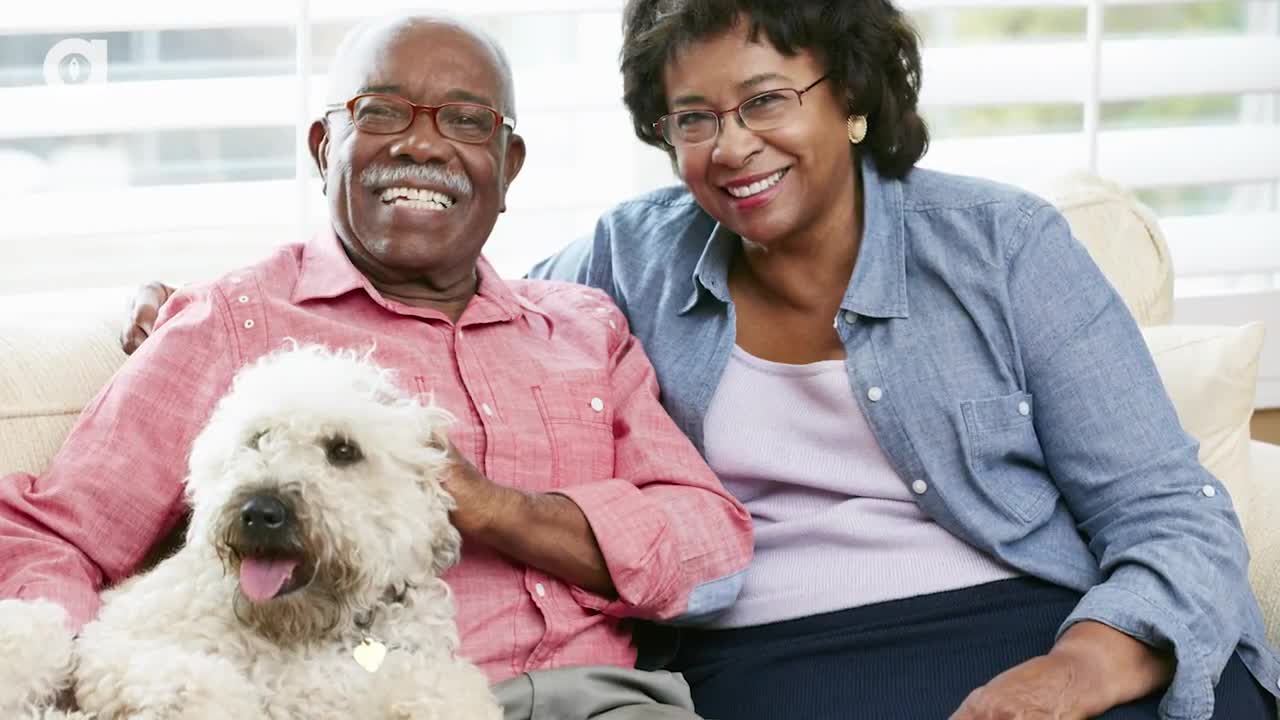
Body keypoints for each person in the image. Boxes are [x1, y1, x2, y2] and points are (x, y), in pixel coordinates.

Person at [123, 1, 1280, 719]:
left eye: (765, 99)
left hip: (1034, 618)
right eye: (690, 118)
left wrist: (1085, 664)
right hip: (777, 661)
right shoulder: (625, 260)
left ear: (857, 101)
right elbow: (443, 279)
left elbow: (1169, 513)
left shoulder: (1003, 246)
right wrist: (214, 316)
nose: (730, 147)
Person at [0, 14, 755, 720]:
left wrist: (496, 508)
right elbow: (51, 535)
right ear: (325, 148)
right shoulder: (236, 322)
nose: (422, 147)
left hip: (601, 699)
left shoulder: (583, 327)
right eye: (382, 111)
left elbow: (711, 550)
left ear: (507, 164)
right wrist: (78, 671)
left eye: (465, 121)